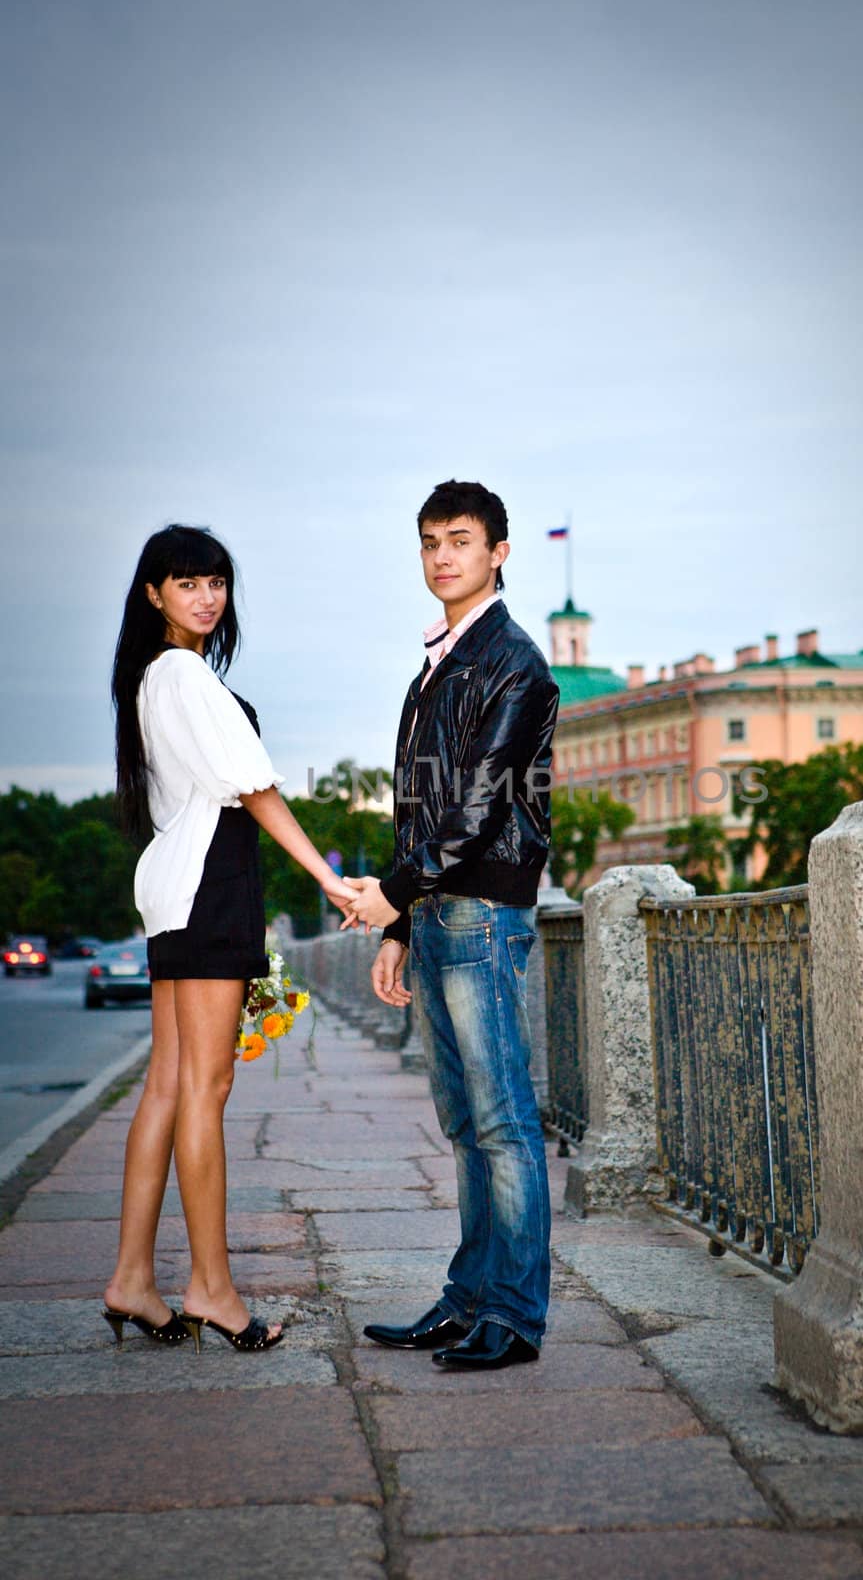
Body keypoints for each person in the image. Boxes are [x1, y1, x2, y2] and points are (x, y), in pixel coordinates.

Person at [104, 525, 355, 1353]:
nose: (206, 597)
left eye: (215, 582)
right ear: (154, 594)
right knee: (203, 1092)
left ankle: (132, 1280)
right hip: (209, 889)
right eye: (187, 584)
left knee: (169, 1087)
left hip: (174, 888)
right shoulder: (184, 674)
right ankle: (211, 1288)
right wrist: (327, 876)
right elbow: (258, 793)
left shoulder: (147, 678)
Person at [345, 481, 559, 1370]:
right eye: (430, 541)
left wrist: (392, 894)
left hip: (480, 910)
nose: (441, 556)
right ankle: (469, 1299)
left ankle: (513, 1316)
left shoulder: (514, 662)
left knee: (504, 1120)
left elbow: (474, 810)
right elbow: (418, 809)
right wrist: (400, 924)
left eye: (460, 541)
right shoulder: (437, 662)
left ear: (498, 553)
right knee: (465, 1121)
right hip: (438, 912)